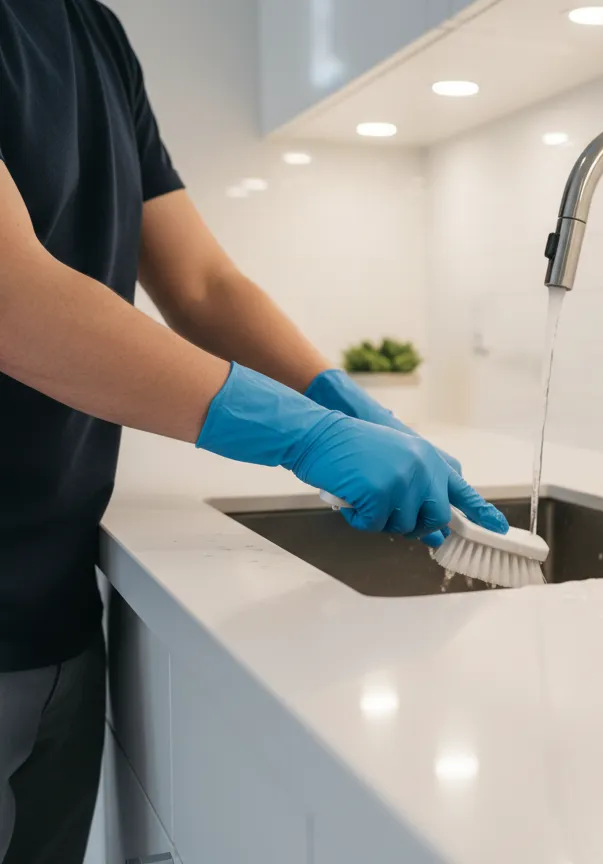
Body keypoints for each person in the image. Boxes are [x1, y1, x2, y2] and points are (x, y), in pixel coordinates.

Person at [0, 2, 509, 861]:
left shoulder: (94, 31)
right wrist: (299, 435)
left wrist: (342, 405)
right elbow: (15, 300)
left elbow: (200, 284)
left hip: (54, 603)